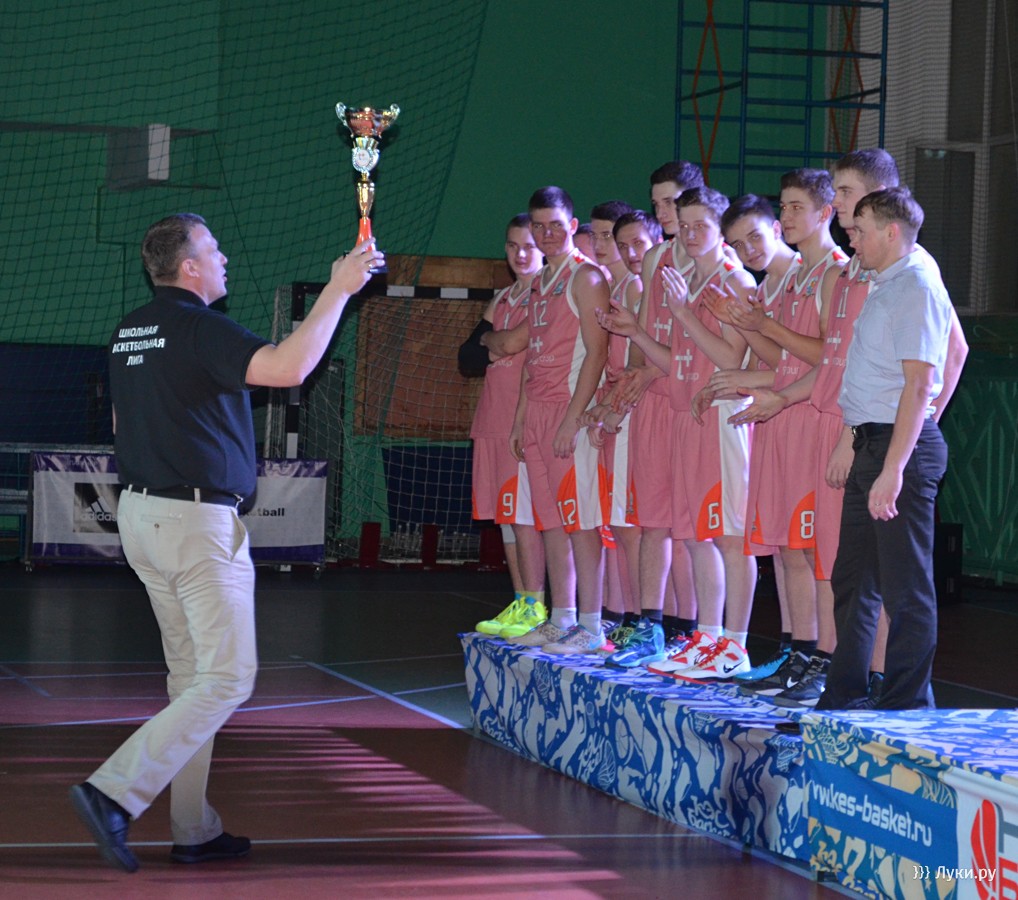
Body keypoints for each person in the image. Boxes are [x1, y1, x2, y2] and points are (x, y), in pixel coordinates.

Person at [70, 213, 381, 872]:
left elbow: (124, 419)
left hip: (141, 516)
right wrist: (340, 289)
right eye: (213, 249)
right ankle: (112, 792)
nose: (224, 259)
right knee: (229, 678)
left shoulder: (130, 330)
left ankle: (194, 828)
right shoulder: (202, 328)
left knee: (192, 681)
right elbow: (290, 367)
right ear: (188, 267)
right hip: (193, 524)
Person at [820, 187, 956, 710]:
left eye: (860, 231)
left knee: (905, 587)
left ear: (891, 232)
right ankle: (845, 694)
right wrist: (853, 440)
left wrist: (895, 467)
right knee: (854, 581)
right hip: (872, 443)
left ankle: (906, 704)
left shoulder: (916, 285)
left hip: (898, 449)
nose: (851, 239)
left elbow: (919, 385)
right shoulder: (887, 280)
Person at [506, 186, 610, 655]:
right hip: (537, 414)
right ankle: (561, 618)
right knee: (550, 521)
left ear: (571, 225)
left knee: (581, 522)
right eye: (538, 226)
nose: (546, 233)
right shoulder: (539, 282)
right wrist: (520, 421)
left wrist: (572, 420)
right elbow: (531, 359)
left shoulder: (586, 277)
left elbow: (598, 353)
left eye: (555, 225)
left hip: (569, 411)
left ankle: (591, 625)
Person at [471, 214, 548, 639]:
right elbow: (468, 354)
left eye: (529, 246)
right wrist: (491, 342)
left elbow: (510, 343)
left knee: (524, 517)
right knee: (507, 519)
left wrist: (493, 342)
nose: (521, 254)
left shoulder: (546, 294)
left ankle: (536, 605)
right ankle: (520, 600)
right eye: (513, 245)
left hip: (523, 420)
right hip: (492, 419)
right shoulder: (503, 297)